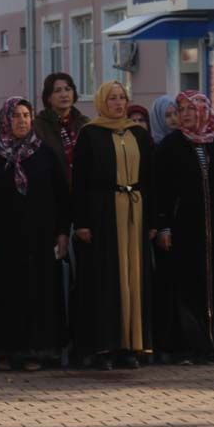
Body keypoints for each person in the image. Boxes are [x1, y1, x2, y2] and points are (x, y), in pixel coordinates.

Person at [0, 97, 69, 371]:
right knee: (3, 294)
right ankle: (3, 351)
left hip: (38, 238)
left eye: (26, 115)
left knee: (36, 293)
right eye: (16, 115)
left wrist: (62, 232)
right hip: (1, 239)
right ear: (5, 119)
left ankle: (33, 351)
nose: (22, 120)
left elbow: (61, 196)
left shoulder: (44, 153)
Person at [154, 91, 214, 364]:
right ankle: (189, 347)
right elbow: (161, 189)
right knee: (186, 287)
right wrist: (163, 225)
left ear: (203, 110)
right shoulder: (171, 145)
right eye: (181, 110)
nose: (185, 115)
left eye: (191, 109)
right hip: (184, 229)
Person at [72, 81, 152, 369]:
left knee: (134, 278)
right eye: (113, 98)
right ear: (102, 102)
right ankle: (104, 346)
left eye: (122, 98)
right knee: (107, 279)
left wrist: (152, 221)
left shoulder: (138, 133)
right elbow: (79, 181)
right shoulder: (90, 134)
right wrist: (82, 221)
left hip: (134, 213)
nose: (119, 103)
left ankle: (130, 346)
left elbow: (151, 178)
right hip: (103, 214)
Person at [33, 73, 90, 184]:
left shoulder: (84, 123)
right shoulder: (38, 126)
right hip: (52, 188)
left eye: (68, 89)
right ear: (48, 98)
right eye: (57, 91)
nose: (64, 95)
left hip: (82, 188)